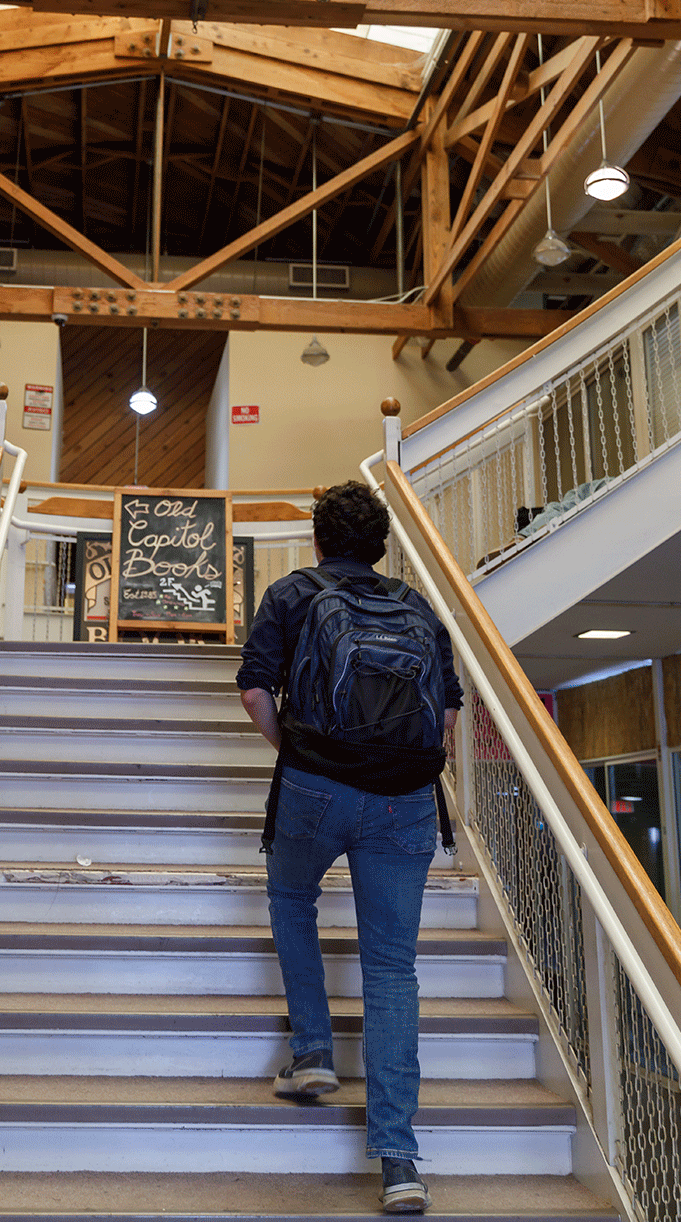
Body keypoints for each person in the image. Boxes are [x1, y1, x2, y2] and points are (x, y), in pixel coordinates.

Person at [236, 480, 461, 1216]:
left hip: (314, 789)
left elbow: (254, 692)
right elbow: (447, 715)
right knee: (392, 968)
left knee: (291, 897)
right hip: (406, 801)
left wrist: (297, 752)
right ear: (382, 543)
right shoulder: (418, 606)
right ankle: (399, 1163)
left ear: (318, 538)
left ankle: (312, 1054)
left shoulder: (292, 594)